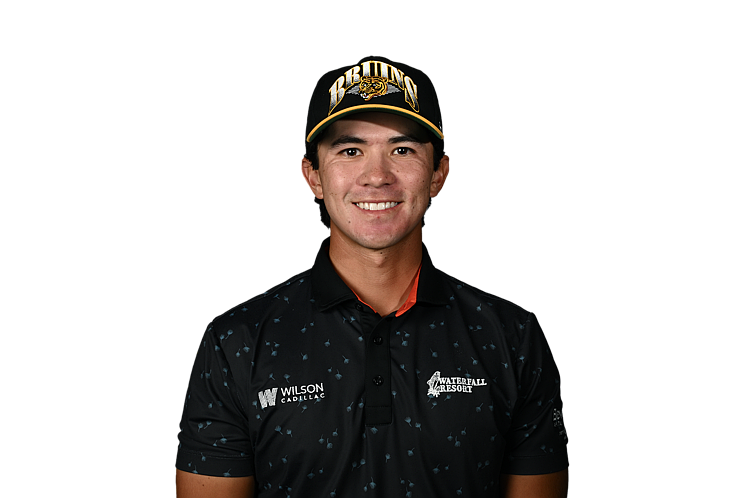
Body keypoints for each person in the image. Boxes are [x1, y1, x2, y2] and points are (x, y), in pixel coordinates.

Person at [175, 55, 569, 497]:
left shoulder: (513, 336)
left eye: (403, 150)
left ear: (438, 174)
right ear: (313, 176)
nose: (377, 176)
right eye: (350, 150)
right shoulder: (236, 341)